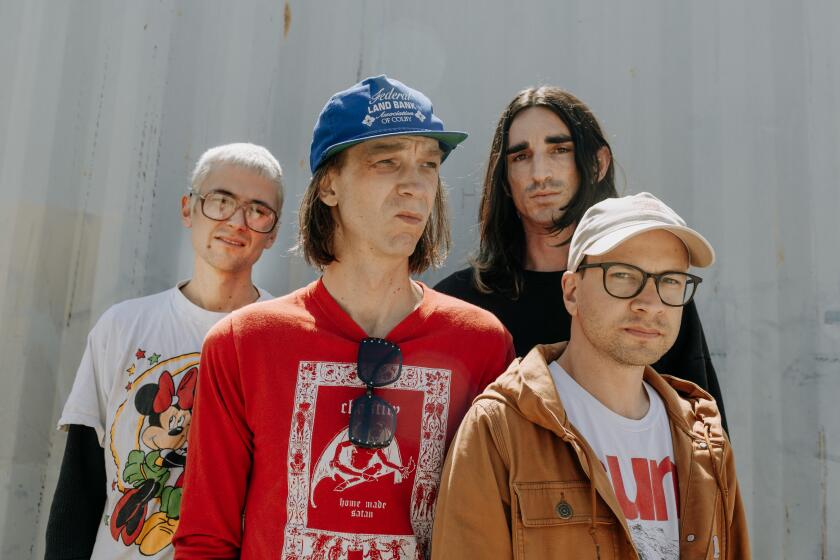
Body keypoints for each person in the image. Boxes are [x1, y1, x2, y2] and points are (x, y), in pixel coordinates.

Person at [173, 75, 514, 558]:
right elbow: (206, 539)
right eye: (387, 162)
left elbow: (493, 532)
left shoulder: (480, 344)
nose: (415, 186)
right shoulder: (243, 343)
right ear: (329, 185)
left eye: (429, 165)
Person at [431, 192, 750, 559]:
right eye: (624, 276)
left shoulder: (705, 440)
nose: (650, 302)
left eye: (671, 281)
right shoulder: (502, 429)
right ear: (571, 292)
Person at [434, 87, 727, 429]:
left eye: (559, 149)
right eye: (521, 156)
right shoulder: (461, 307)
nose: (540, 173)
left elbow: (706, 441)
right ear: (504, 181)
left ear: (597, 163)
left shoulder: (651, 294)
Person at [45, 143, 283, 559]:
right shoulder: (122, 328)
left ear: (273, 232)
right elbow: (79, 483)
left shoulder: (284, 338)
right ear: (188, 209)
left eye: (257, 210)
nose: (236, 221)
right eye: (220, 201)